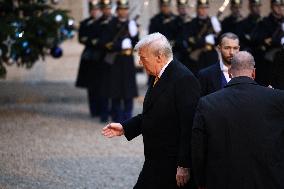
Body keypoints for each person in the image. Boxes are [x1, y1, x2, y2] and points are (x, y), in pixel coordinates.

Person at [102, 33, 200, 189]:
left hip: (172, 164)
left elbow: (190, 126)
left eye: (143, 58)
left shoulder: (183, 79)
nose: (140, 62)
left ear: (159, 56)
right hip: (156, 160)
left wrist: (184, 165)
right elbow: (153, 113)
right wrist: (125, 127)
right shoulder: (160, 74)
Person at [192, 51, 284, 189]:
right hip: (268, 180)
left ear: (230, 73)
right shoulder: (278, 99)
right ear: (253, 73)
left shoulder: (207, 103)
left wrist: (200, 181)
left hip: (222, 181)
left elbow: (198, 148)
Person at [103, 0, 139, 123]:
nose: (123, 12)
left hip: (128, 60)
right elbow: (106, 44)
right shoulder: (111, 24)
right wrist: (120, 45)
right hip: (116, 61)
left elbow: (137, 44)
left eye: (125, 9)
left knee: (128, 89)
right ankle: (116, 116)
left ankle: (128, 116)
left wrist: (134, 35)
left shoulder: (131, 24)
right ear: (117, 11)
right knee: (116, 89)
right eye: (121, 9)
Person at [75, 0, 104, 118]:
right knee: (90, 87)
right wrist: (92, 41)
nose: (94, 12)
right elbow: (81, 38)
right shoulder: (85, 23)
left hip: (101, 56)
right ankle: (94, 110)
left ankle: (101, 109)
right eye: (92, 10)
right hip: (89, 57)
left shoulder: (104, 23)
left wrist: (93, 40)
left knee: (101, 85)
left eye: (96, 9)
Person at [181, 0, 220, 75]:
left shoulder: (213, 22)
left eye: (205, 8)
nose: (203, 10)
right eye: (201, 8)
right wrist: (205, 40)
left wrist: (217, 32)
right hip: (196, 53)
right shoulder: (191, 23)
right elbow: (190, 40)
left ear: (208, 9)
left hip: (210, 53)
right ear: (197, 9)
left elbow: (218, 40)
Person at [251, 0, 284, 86]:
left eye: (282, 5)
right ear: (272, 6)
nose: (280, 8)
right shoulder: (265, 22)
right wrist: (275, 41)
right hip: (270, 59)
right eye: (277, 5)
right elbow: (257, 39)